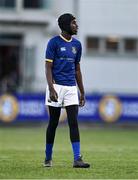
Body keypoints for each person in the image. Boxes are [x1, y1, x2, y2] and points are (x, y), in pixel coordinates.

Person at [44, 13, 90, 168]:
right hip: (56, 87)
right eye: (73, 23)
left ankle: (77, 159)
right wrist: (51, 88)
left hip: (71, 88)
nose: (76, 25)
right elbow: (48, 67)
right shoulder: (53, 43)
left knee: (73, 123)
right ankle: (48, 157)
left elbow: (77, 70)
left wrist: (82, 92)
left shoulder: (77, 45)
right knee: (53, 122)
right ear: (65, 25)